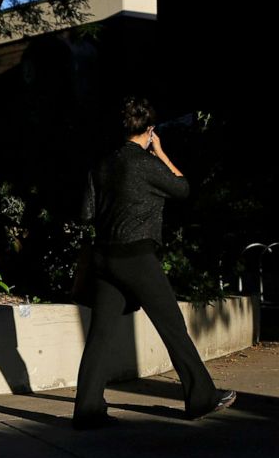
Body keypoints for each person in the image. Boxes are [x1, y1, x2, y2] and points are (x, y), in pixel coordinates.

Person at [73, 96, 236, 429]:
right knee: (173, 327)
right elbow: (182, 188)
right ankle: (201, 398)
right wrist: (159, 151)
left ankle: (87, 410)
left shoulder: (102, 164)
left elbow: (86, 213)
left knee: (99, 336)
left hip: (105, 257)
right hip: (136, 257)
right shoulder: (145, 163)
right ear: (149, 130)